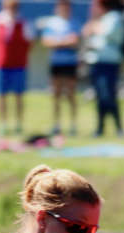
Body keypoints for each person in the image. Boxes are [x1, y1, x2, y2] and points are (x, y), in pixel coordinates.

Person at [0, 0, 35, 136]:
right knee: (1, 95)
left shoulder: (24, 23)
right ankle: (2, 123)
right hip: (1, 64)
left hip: (19, 65)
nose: (11, 9)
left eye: (14, 6)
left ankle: (18, 123)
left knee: (18, 95)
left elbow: (29, 43)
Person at [82, 0, 124, 138]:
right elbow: (85, 33)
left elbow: (106, 33)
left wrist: (94, 25)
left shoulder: (114, 17)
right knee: (100, 96)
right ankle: (100, 128)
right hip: (97, 62)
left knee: (109, 96)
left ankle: (119, 128)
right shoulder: (100, 20)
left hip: (109, 62)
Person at [40, 0, 81, 136]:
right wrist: (64, 41)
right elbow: (46, 41)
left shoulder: (74, 22)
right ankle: (56, 124)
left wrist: (58, 42)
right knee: (56, 94)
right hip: (56, 63)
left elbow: (75, 41)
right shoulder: (52, 23)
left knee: (71, 94)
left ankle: (73, 124)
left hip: (70, 63)